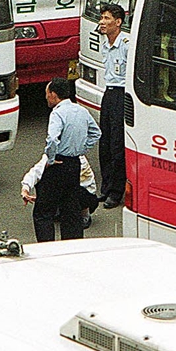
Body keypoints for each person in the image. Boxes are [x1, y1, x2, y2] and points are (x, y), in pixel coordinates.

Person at [31, 77, 101, 242]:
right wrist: (81, 149)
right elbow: (96, 133)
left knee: (43, 211)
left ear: (54, 95)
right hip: (74, 163)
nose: (46, 97)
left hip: (58, 164)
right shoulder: (81, 111)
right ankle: (72, 246)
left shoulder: (57, 113)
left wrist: (51, 158)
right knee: (71, 209)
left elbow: (53, 139)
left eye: (47, 94)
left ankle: (47, 247)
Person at [98, 2, 129, 210]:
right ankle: (106, 186)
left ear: (117, 22)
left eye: (107, 18)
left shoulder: (126, 44)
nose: (102, 22)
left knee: (117, 145)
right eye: (102, 18)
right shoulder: (104, 43)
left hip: (121, 94)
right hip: (108, 93)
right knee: (105, 142)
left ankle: (116, 192)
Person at [22, 151, 99, 229]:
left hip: (84, 195)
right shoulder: (53, 156)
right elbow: (36, 171)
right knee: (43, 177)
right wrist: (26, 189)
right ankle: (57, 209)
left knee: (70, 189)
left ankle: (84, 214)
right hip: (64, 191)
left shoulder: (78, 159)